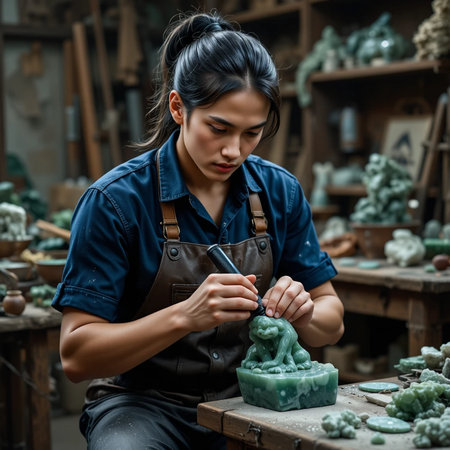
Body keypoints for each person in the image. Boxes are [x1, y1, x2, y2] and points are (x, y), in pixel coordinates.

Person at [52, 11, 344, 450]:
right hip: (144, 405)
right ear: (177, 108)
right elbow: (75, 355)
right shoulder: (115, 201)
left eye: (252, 134)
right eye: (218, 128)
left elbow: (331, 323)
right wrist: (183, 316)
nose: (233, 150)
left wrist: (304, 311)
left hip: (252, 399)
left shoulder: (279, 192)